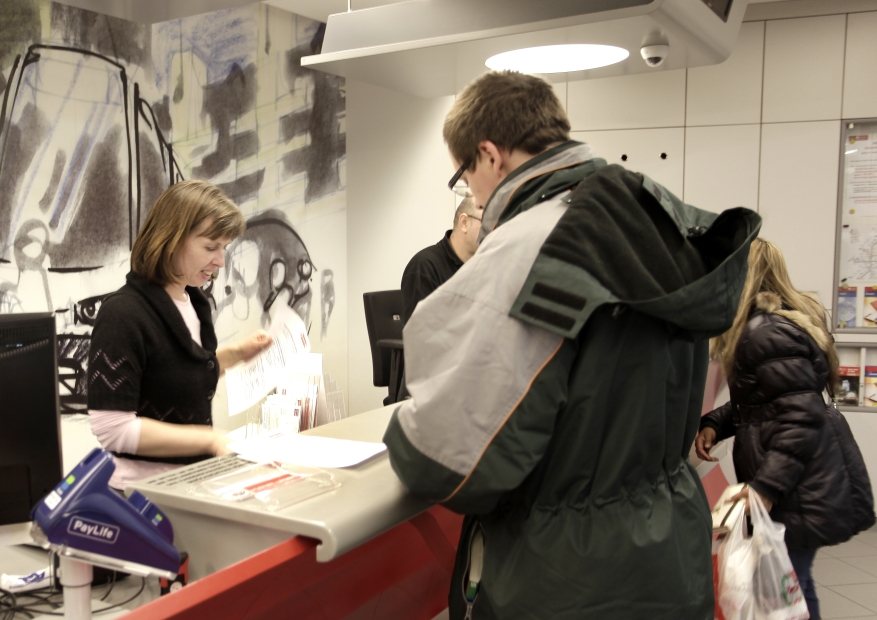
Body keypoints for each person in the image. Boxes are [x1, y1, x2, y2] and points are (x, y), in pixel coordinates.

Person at [382, 69, 762, 619]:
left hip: (567, 575)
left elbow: (451, 466)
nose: (473, 194)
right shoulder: (649, 219)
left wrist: (398, 434)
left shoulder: (530, 250)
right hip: (667, 553)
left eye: (465, 176)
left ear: (490, 155)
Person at [695, 238, 876, 620]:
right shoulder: (777, 324)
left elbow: (798, 417)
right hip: (809, 477)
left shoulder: (764, 333)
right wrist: (716, 422)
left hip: (799, 485)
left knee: (791, 583)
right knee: (794, 582)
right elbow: (770, 404)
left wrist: (765, 488)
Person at [88, 180, 273, 491]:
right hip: (142, 494)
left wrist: (236, 354)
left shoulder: (193, 302)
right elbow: (112, 429)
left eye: (224, 248)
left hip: (190, 484)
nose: (221, 261)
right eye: (210, 247)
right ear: (171, 239)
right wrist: (210, 439)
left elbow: (173, 372)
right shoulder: (122, 314)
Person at [401, 196, 482, 324]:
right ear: (464, 222)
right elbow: (421, 334)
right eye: (487, 223)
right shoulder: (425, 266)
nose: (493, 231)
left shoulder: (484, 267)